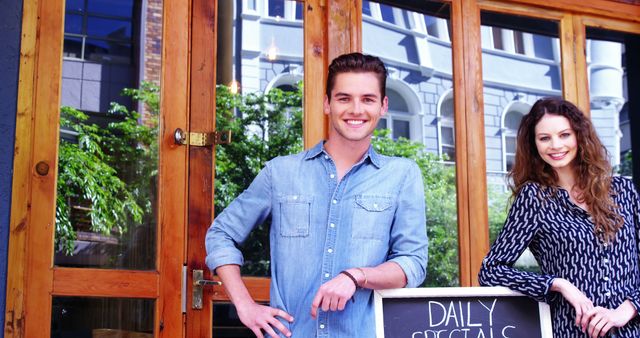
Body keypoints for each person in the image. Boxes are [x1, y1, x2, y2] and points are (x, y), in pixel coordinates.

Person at [206, 52, 428, 338]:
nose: (356, 109)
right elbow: (221, 233)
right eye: (344, 98)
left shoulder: (402, 175)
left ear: (383, 105)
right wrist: (245, 305)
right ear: (327, 103)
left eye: (368, 99)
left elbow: (413, 263)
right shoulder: (281, 172)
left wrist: (356, 276)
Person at [479, 97, 640, 337]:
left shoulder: (622, 191)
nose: (555, 145)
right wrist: (557, 284)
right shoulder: (534, 199)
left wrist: (626, 309)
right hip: (572, 331)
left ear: (579, 136)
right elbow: (491, 270)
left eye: (564, 135)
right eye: (544, 138)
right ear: (534, 145)